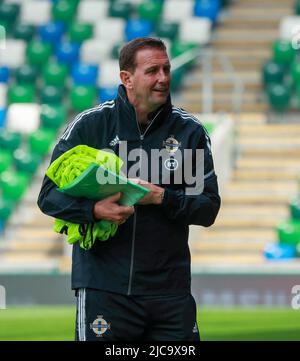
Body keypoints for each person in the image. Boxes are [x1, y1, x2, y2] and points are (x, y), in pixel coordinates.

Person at [37, 37, 221, 341]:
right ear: (127, 78)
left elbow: (208, 207)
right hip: (105, 289)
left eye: (166, 69)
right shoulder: (90, 125)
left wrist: (161, 197)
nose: (163, 78)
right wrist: (94, 210)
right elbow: (48, 196)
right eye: (152, 71)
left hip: (169, 292)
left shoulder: (189, 131)